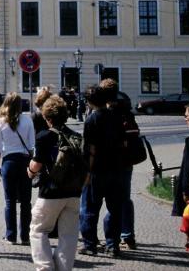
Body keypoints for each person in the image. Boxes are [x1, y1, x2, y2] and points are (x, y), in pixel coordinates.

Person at [28, 95, 84, 271]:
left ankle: (45, 268)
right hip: (74, 192)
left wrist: (29, 171)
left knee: (38, 230)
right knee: (68, 235)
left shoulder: (44, 136)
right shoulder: (76, 136)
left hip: (50, 193)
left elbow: (36, 165)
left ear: (47, 117)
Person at [78, 84, 124, 257]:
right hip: (116, 168)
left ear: (89, 101)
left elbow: (90, 149)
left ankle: (90, 245)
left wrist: (87, 172)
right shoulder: (116, 116)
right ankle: (113, 245)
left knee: (89, 209)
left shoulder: (91, 120)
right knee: (114, 208)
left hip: (96, 170)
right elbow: (122, 143)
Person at [100, 78, 139, 250]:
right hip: (127, 161)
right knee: (125, 197)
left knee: (111, 201)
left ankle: (111, 240)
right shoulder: (126, 107)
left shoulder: (107, 112)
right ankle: (128, 235)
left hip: (110, 162)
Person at [0, 92, 35, 246]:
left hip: (8, 163)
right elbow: (31, 146)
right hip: (24, 161)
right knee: (26, 201)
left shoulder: (0, 121)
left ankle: (11, 235)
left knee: (10, 201)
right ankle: (25, 236)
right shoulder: (27, 120)